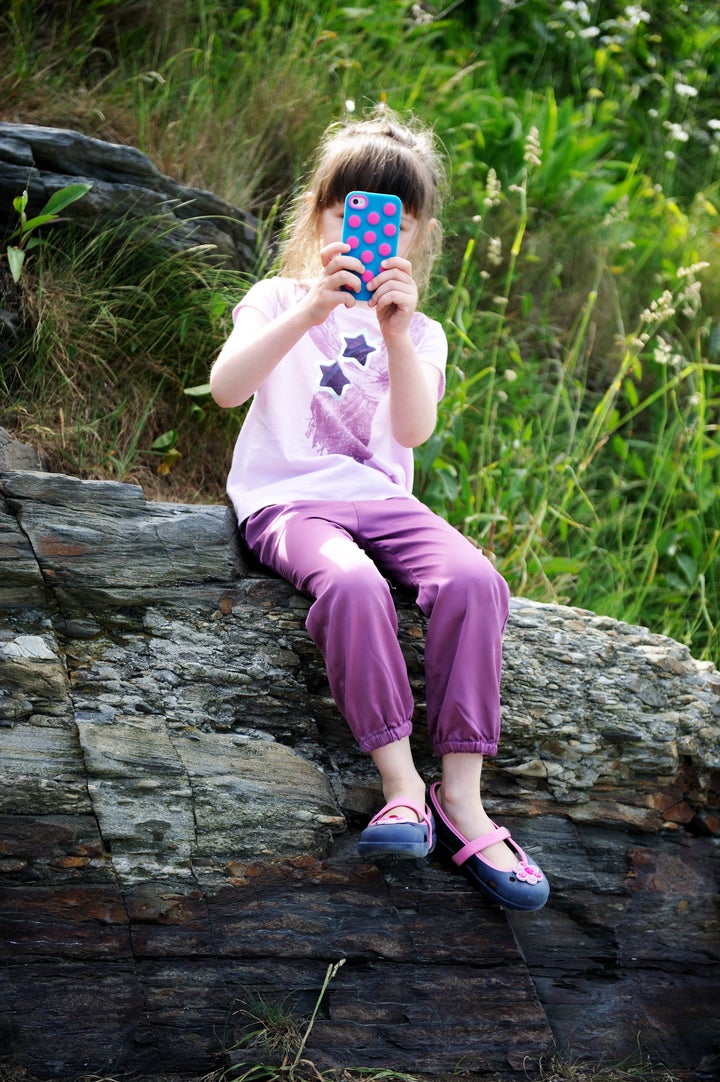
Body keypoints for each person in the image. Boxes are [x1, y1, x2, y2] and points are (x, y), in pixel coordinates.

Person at [210, 108, 548, 912]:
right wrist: (311, 312)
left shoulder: (422, 331)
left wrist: (395, 335)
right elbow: (226, 388)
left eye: (388, 215)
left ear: (417, 233)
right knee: (354, 588)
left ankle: (460, 796)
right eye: (348, 208)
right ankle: (400, 782)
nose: (362, 228)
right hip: (288, 503)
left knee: (474, 581)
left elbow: (411, 430)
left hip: (382, 501)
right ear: (320, 215)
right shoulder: (276, 297)